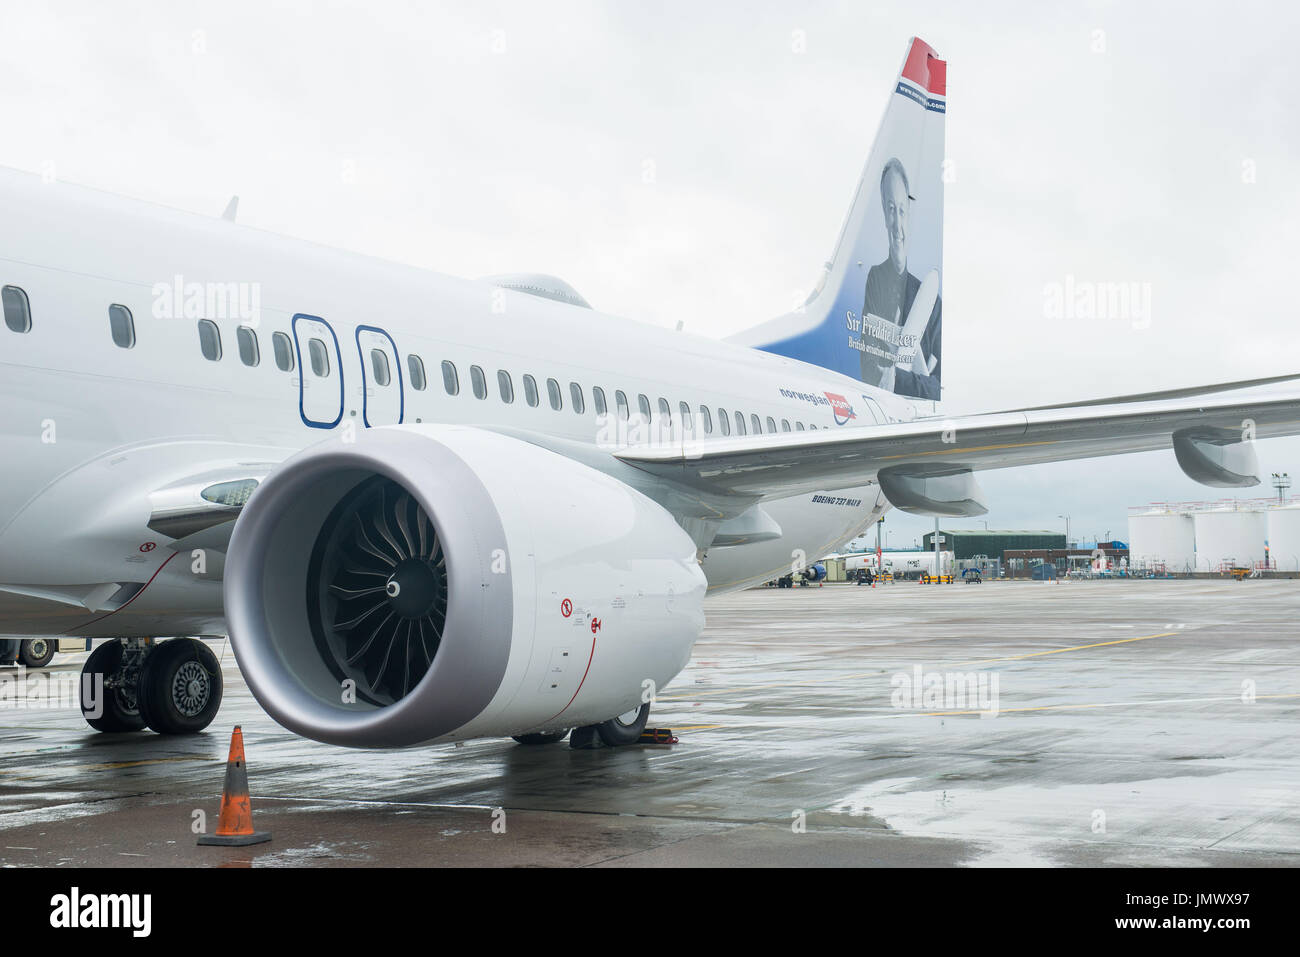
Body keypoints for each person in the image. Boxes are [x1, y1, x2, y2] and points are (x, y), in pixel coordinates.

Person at [860, 158, 942, 400]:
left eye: (902, 211)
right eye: (891, 209)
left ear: (909, 217)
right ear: (885, 216)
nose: (897, 224)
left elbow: (938, 389)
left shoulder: (930, 302)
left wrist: (899, 379)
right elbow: (867, 365)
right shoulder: (875, 279)